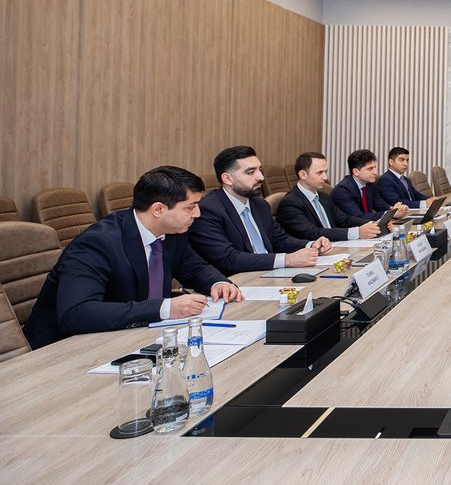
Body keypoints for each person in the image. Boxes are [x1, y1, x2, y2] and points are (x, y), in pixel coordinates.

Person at [23, 166, 243, 350]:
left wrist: (218, 283)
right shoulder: (96, 243)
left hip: (135, 336)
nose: (197, 214)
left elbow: (194, 267)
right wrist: (165, 308)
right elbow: (77, 314)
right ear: (158, 209)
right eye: (190, 207)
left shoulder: (173, 233)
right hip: (66, 349)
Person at [190, 145, 329, 273]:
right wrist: (287, 260)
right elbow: (229, 259)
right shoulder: (208, 210)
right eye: (251, 172)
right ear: (227, 179)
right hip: (238, 281)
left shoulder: (260, 205)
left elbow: (279, 239)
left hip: (270, 274)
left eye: (260, 170)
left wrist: (311, 245)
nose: (261, 177)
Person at [276, 152, 383, 242]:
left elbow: (344, 219)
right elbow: (312, 233)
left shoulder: (323, 197)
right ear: (303, 175)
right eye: (320, 173)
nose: (325, 177)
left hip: (336, 247)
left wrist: (373, 224)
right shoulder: (290, 203)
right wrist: (357, 232)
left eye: (325, 172)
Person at [330, 149, 398, 220]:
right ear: (356, 172)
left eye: (375, 167)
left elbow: (379, 203)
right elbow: (359, 217)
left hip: (368, 224)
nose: (375, 172)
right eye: (370, 169)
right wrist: (390, 214)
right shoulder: (342, 191)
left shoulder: (369, 184)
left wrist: (393, 209)